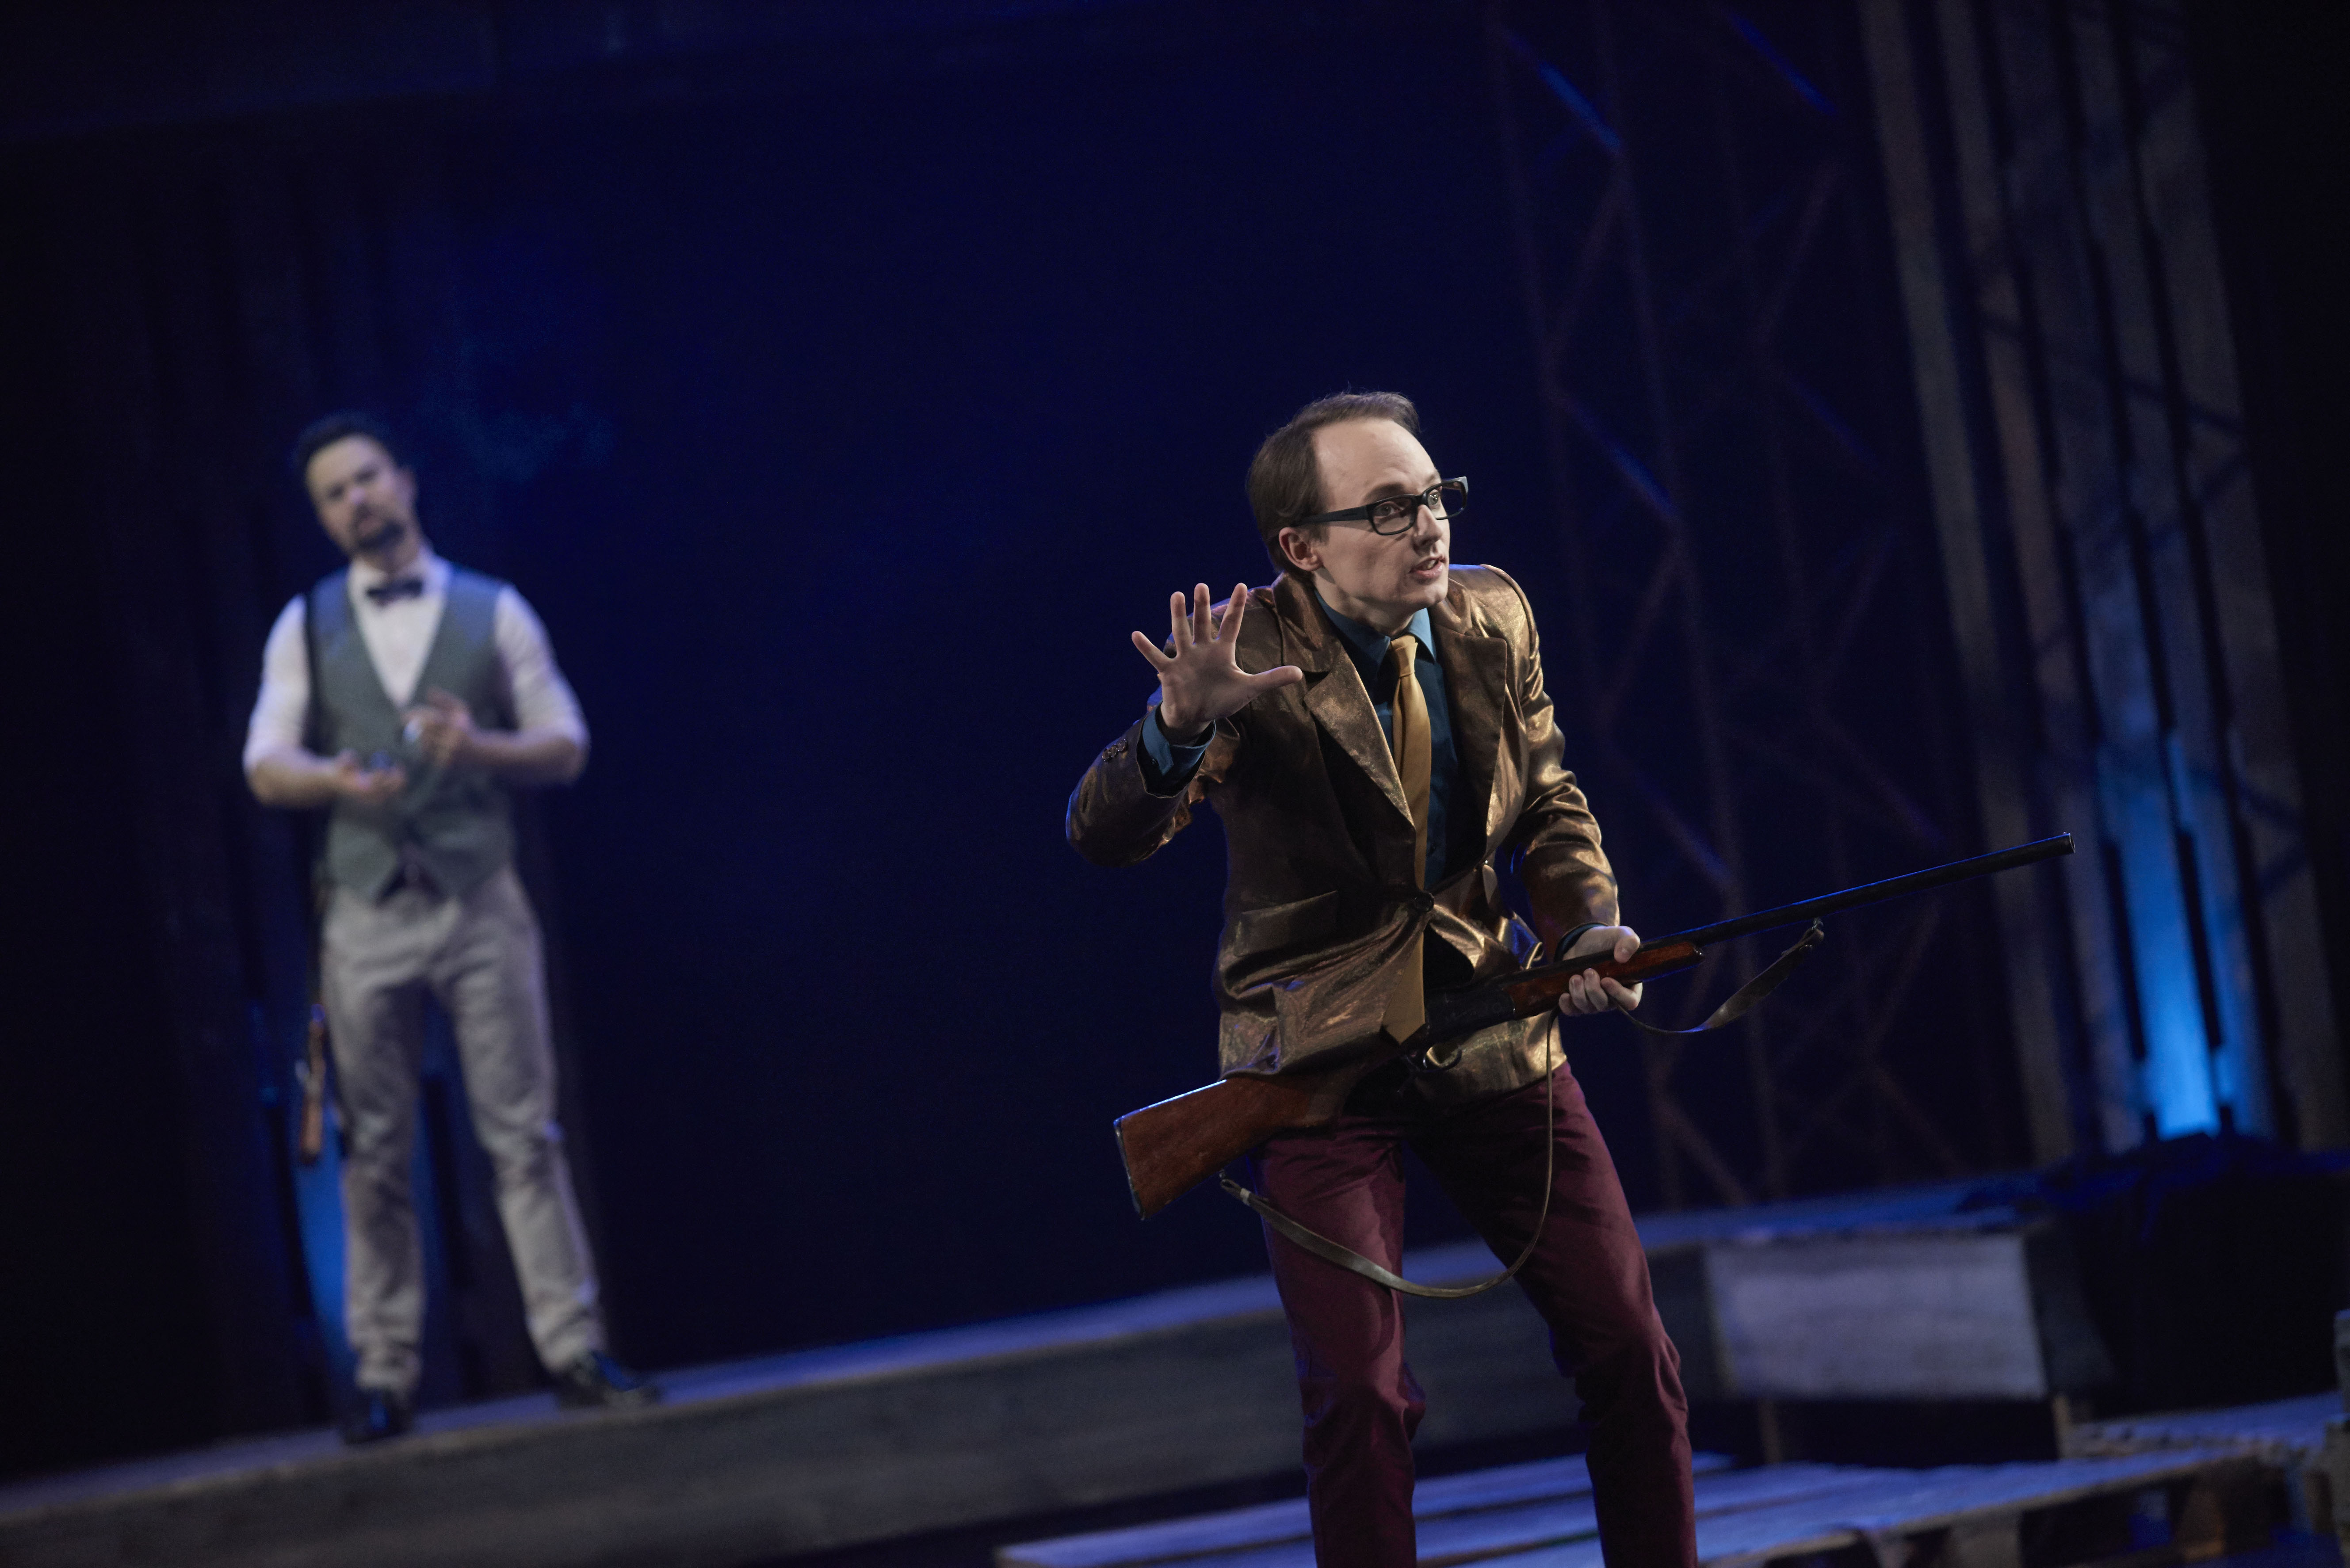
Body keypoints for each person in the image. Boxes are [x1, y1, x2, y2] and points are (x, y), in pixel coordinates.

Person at [1066, 393, 1695, 1566]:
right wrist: (1174, 731)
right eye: (1390, 508)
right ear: (1302, 546)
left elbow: (1549, 802)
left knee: (1629, 1344)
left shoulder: (1491, 612)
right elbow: (1102, 833)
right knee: (1358, 1392)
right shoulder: (1251, 650)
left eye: (1436, 496)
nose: (1430, 526)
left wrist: (1585, 927)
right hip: (1319, 1064)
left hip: (1488, 1022)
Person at [245, 412, 657, 1443]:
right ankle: (384, 1373)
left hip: (479, 900)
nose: (358, 501)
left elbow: (565, 743)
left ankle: (572, 1347)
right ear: (322, 515)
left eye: (367, 478)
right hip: (367, 911)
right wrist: (334, 779)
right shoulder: (305, 623)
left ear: (406, 478)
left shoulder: (493, 608)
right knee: (376, 1153)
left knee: (524, 1134)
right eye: (335, 493)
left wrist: (479, 749)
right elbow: (266, 762)